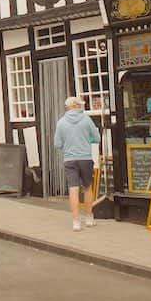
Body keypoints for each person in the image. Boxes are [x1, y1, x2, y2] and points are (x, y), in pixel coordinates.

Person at [53, 96, 102, 230]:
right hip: (85, 158)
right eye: (79, 104)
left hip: (69, 159)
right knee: (87, 188)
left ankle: (76, 221)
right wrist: (87, 140)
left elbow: (57, 144)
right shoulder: (86, 119)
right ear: (75, 106)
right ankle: (89, 218)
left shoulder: (61, 122)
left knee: (73, 189)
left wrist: (67, 148)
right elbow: (97, 137)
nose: (81, 106)